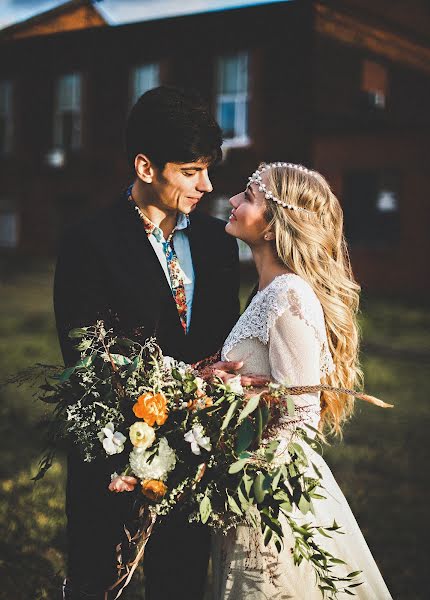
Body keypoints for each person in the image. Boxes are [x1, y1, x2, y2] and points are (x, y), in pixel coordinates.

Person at [54, 86, 242, 600]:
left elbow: (225, 343)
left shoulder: (216, 243)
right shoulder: (87, 242)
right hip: (110, 460)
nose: (206, 184)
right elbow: (85, 357)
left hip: (193, 466)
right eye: (190, 170)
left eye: (208, 168)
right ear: (145, 167)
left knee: (180, 584)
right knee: (97, 584)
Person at [210, 161, 393, 599]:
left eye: (249, 197)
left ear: (274, 227)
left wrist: (249, 480)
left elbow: (301, 418)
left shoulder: (289, 295)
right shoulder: (266, 291)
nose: (233, 202)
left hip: (269, 491)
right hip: (249, 479)